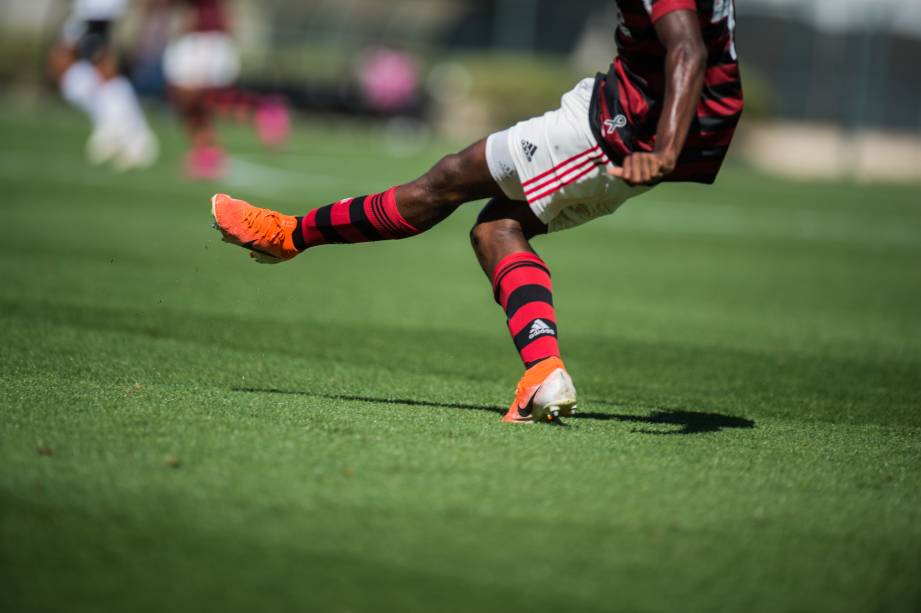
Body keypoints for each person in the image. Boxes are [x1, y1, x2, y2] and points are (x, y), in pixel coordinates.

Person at [210, 0, 743, 424]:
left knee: (445, 181)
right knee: (496, 227)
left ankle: (290, 235)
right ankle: (543, 370)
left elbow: (688, 49)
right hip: (623, 110)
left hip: (619, 129)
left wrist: (667, 148)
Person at [162, 0, 290, 180]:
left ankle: (262, 108)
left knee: (192, 94)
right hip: (199, 36)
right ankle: (207, 153)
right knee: (192, 100)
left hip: (205, 37)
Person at [50, 0, 159, 171]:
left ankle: (134, 137)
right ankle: (114, 127)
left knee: (102, 70)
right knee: (72, 76)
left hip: (98, 12)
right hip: (86, 13)